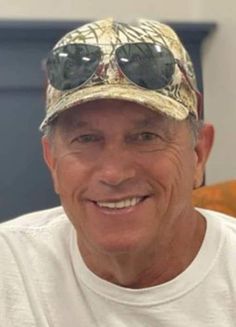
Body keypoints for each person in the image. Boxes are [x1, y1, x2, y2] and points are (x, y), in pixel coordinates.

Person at [0, 17, 235, 326]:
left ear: (199, 153)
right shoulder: (10, 268)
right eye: (86, 139)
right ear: (52, 161)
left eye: (146, 137)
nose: (114, 173)